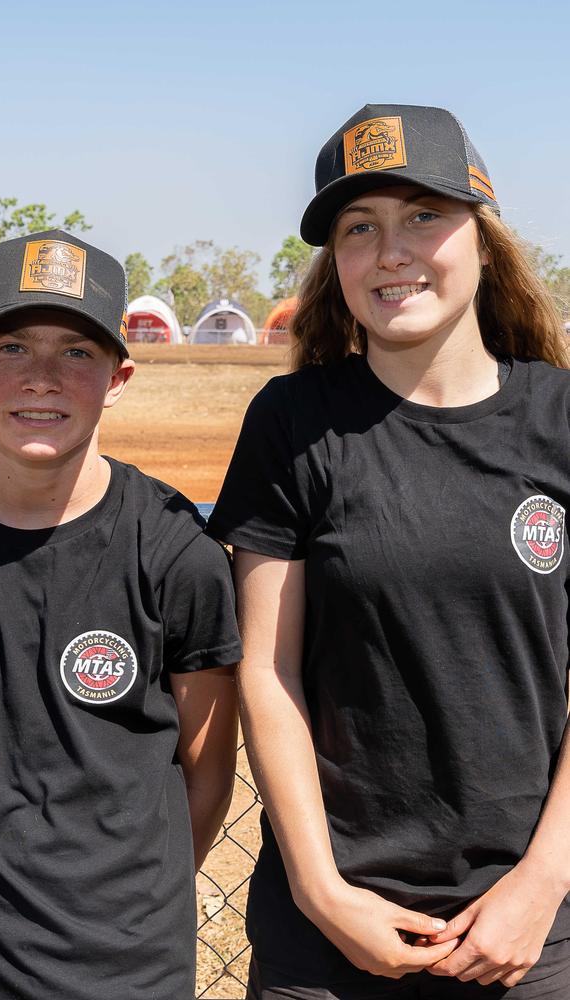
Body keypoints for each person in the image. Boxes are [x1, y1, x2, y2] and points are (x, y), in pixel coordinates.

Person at [207, 103, 570, 999]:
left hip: (530, 934)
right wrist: (321, 891)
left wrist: (540, 886)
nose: (391, 251)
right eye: (358, 228)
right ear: (336, 262)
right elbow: (269, 670)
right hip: (329, 937)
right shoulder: (293, 425)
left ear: (484, 241)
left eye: (423, 217)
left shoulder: (560, 421)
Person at [0, 230, 242, 1000]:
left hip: (129, 967)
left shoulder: (174, 554)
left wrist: (134, 911)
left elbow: (208, 771)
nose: (42, 379)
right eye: (10, 348)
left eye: (76, 353)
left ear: (118, 376)